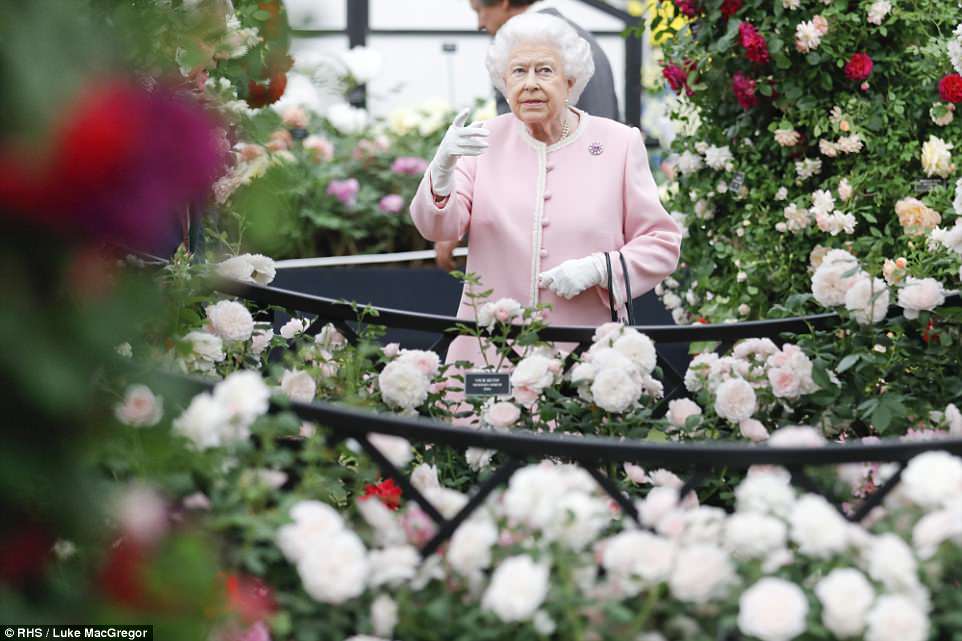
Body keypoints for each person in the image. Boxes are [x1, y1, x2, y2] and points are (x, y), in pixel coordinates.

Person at [410, 12, 681, 370]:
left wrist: (601, 268)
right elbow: (438, 228)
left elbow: (661, 243)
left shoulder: (619, 143)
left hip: (587, 355)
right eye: (519, 72)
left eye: (545, 71)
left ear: (570, 82)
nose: (530, 84)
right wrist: (442, 169)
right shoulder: (481, 141)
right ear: (504, 83)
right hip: (491, 354)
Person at [435, 0, 619, 271]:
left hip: (544, 230)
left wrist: (462, 218)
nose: (480, 23)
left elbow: (515, 148)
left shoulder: (519, 51)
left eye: (480, 11)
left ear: (504, 3)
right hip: (596, 224)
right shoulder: (582, 38)